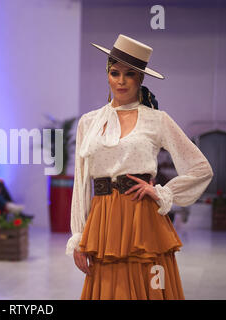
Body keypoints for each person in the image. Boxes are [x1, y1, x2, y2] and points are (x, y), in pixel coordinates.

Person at [68, 34, 213, 300]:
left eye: (130, 74)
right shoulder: (89, 122)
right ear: (107, 74)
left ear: (140, 79)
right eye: (114, 72)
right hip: (103, 223)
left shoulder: (157, 120)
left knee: (150, 288)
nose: (121, 81)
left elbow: (201, 169)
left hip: (142, 218)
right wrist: (78, 236)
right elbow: (80, 182)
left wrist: (161, 192)